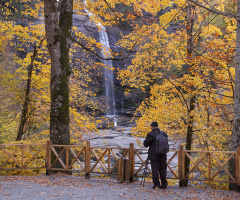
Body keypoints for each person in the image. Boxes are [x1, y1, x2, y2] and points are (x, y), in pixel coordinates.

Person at [143, 121, 168, 189]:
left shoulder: (151, 134)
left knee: (155, 170)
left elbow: (145, 145)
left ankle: (156, 185)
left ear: (152, 127)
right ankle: (164, 184)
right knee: (163, 169)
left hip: (154, 155)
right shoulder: (164, 134)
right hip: (163, 155)